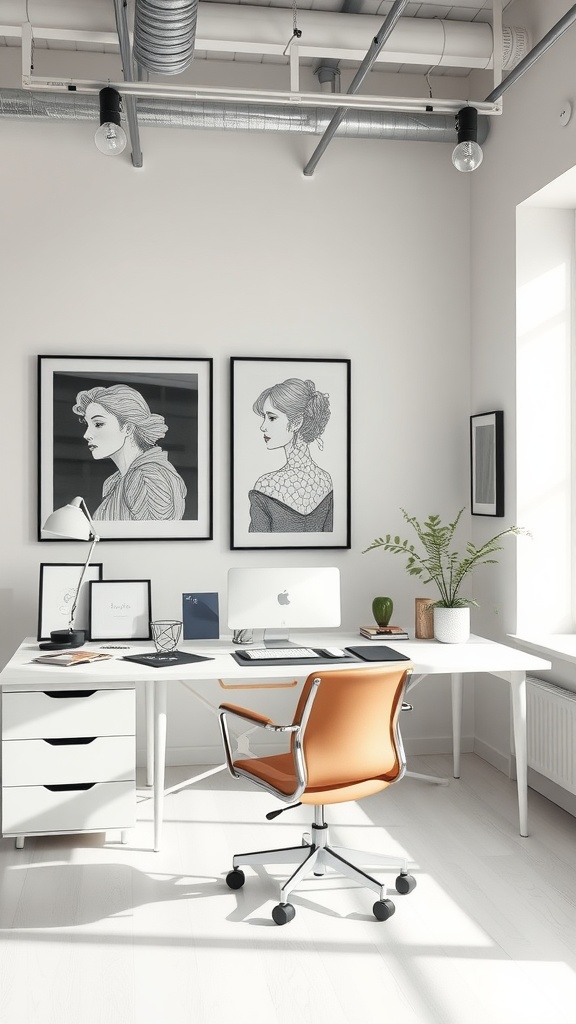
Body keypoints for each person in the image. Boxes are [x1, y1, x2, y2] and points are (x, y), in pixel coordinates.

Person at [73, 384, 187, 521]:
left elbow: (156, 538)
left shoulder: (147, 476)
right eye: (87, 425)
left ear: (128, 428)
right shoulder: (120, 480)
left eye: (98, 424)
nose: (87, 435)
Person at [249, 377, 333, 532]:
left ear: (296, 423)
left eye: (272, 418)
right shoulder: (326, 480)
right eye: (264, 417)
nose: (263, 427)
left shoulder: (266, 485)